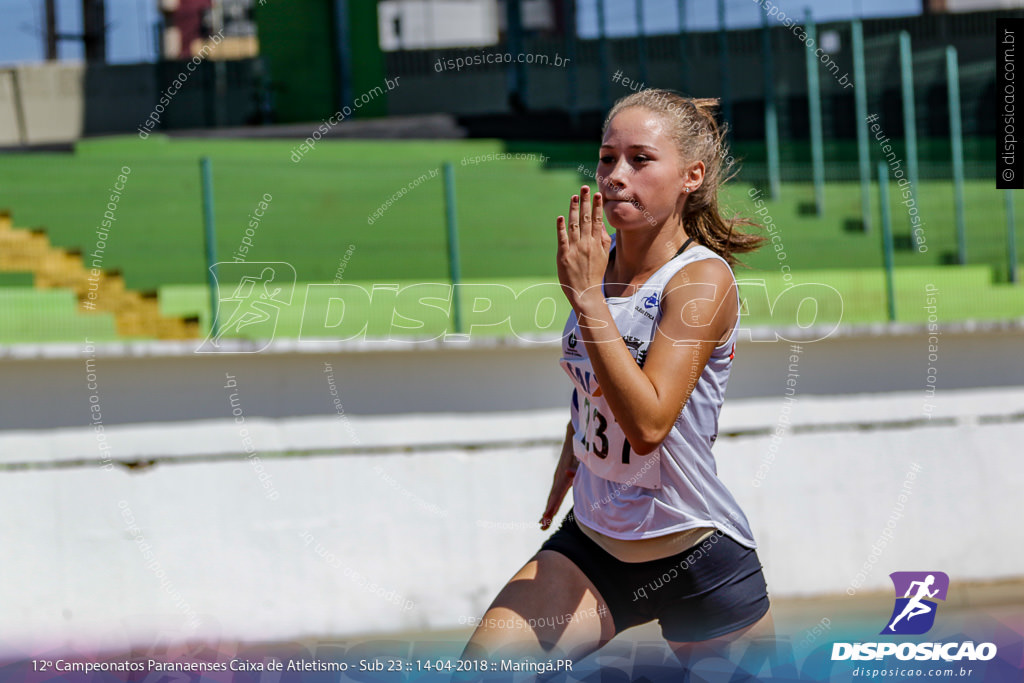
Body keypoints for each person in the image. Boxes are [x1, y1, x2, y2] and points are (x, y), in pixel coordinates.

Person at [459, 90, 771, 672]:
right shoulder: (598, 268)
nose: (614, 177)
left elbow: (649, 423)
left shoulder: (701, 281)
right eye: (606, 159)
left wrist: (584, 299)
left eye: (640, 159)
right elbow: (597, 378)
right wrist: (574, 449)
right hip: (594, 548)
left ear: (691, 177)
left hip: (696, 554)